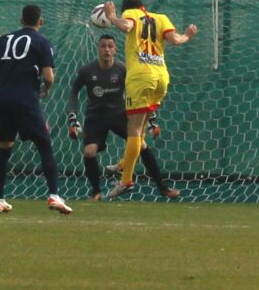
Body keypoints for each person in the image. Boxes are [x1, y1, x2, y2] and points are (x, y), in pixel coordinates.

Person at [0, 4, 72, 214]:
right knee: (45, 145)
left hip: (1, 100)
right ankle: (54, 196)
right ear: (41, 22)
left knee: (3, 149)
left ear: (21, 21)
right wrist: (45, 90)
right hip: (25, 100)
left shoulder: (4, 40)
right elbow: (48, 77)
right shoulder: (42, 42)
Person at [103, 0, 197, 198]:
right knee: (142, 127)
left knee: (134, 129)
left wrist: (112, 16)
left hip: (141, 76)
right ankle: (123, 163)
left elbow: (127, 26)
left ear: (128, 7)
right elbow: (175, 40)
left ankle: (126, 179)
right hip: (161, 77)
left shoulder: (131, 13)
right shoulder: (161, 17)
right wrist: (188, 35)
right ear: (144, 6)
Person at [67, 34, 180, 201]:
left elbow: (140, 94)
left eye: (110, 46)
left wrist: (151, 120)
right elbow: (74, 92)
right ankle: (96, 191)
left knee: (141, 145)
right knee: (89, 151)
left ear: (115, 49)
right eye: (103, 46)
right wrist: (72, 116)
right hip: (95, 117)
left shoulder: (123, 70)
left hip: (120, 115)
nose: (106, 49)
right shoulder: (87, 71)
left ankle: (163, 188)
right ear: (98, 49)